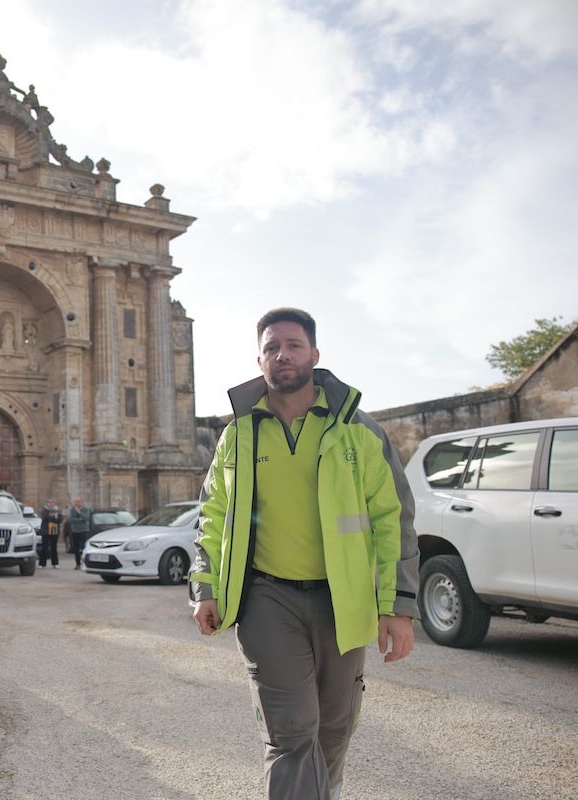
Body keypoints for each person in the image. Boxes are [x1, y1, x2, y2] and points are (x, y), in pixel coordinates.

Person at [190, 308, 418, 800]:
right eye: (272, 347)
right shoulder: (239, 434)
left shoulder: (359, 430)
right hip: (267, 598)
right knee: (292, 731)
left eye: (293, 345)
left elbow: (392, 519)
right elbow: (213, 514)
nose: (283, 355)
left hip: (342, 600)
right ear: (260, 359)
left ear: (314, 354)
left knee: (334, 726)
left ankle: (327, 789)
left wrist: (397, 606)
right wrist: (204, 587)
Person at [66, 496, 93, 569]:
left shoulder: (86, 509)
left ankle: (84, 563)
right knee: (76, 548)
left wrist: (79, 512)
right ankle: (78, 564)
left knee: (83, 547)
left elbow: (87, 518)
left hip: (83, 530)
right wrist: (80, 519)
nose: (77, 503)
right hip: (75, 530)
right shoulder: (72, 510)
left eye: (78, 501)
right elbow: (70, 519)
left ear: (82, 502)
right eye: (76, 501)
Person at [38, 498, 63, 568]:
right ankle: (42, 564)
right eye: (49, 502)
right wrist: (53, 518)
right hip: (45, 531)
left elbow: (60, 519)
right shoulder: (44, 510)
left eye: (52, 502)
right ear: (47, 503)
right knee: (44, 547)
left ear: (55, 503)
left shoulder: (57, 510)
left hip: (54, 531)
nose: (51, 504)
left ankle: (55, 563)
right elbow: (44, 517)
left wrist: (51, 518)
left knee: (54, 547)